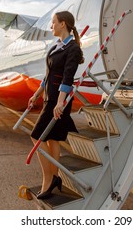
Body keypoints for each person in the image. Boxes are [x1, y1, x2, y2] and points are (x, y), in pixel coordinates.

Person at [28, 11, 83, 199]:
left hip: (58, 102)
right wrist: (36, 94)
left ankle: (48, 178)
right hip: (49, 99)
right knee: (52, 139)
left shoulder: (73, 49)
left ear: (63, 24)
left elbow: (67, 78)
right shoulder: (56, 47)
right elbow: (48, 76)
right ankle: (55, 178)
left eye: (53, 23)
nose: (51, 26)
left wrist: (60, 102)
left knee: (36, 136)